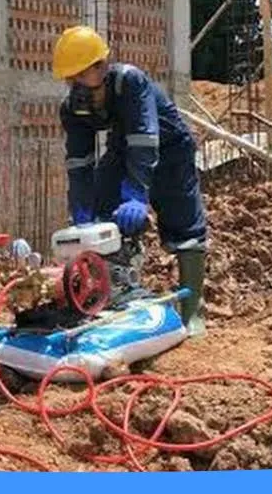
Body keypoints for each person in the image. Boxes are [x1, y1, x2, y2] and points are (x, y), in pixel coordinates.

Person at [51, 25, 209, 337]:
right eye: (72, 78)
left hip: (170, 147)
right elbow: (79, 163)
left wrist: (136, 194)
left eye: (83, 75)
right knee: (99, 207)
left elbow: (144, 137)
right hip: (125, 148)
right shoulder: (72, 108)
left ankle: (193, 311)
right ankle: (116, 290)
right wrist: (81, 210)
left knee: (182, 221)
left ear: (102, 66)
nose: (78, 84)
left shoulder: (130, 81)